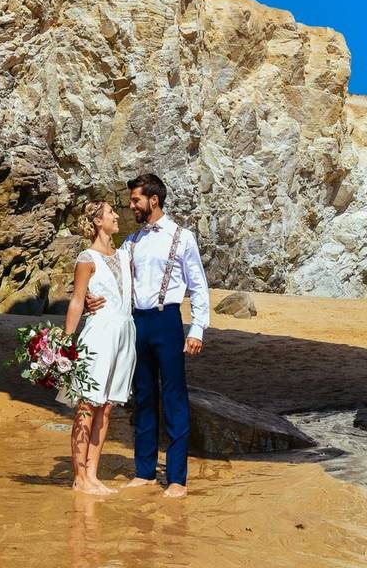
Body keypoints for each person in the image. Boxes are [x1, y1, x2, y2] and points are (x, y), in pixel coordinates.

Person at [85, 174, 210, 498]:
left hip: (167, 320)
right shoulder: (132, 242)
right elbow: (107, 270)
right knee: (142, 397)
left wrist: (197, 329)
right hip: (136, 323)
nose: (131, 206)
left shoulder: (182, 237)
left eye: (136, 200)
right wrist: (86, 294)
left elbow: (198, 286)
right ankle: (144, 471)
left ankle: (178, 479)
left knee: (173, 397)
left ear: (153, 200)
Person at [62, 200, 137, 495]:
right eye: (110, 213)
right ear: (97, 221)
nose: (117, 216)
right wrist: (65, 342)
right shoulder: (86, 258)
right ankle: (79, 477)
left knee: (106, 408)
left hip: (124, 334)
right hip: (98, 334)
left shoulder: (124, 253)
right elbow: (78, 301)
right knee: (87, 404)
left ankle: (93, 474)